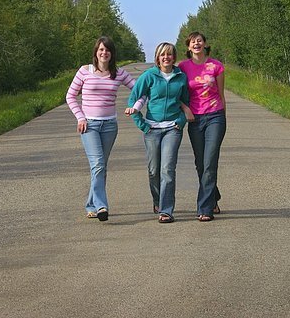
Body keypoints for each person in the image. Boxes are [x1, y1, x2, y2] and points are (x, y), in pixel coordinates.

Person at [66, 36, 143, 222]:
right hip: (89, 125)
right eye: (101, 49)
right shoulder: (85, 71)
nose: (104, 53)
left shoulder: (119, 73)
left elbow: (141, 91)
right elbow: (70, 96)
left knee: (100, 167)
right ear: (96, 52)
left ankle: (91, 205)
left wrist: (137, 106)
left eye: (107, 50)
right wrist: (80, 117)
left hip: (109, 126)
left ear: (112, 54)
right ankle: (102, 206)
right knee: (98, 164)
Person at [125, 42, 189, 223]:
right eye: (162, 55)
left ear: (174, 57)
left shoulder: (181, 77)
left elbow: (186, 103)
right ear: (157, 58)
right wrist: (142, 125)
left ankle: (166, 210)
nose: (166, 57)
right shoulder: (149, 76)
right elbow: (133, 101)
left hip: (172, 129)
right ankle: (157, 200)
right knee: (154, 170)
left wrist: (180, 122)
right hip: (151, 129)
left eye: (169, 54)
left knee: (167, 169)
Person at [178, 31, 226, 222]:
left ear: (205, 44)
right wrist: (185, 109)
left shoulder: (216, 66)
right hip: (195, 119)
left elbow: (221, 94)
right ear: (189, 47)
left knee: (210, 162)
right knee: (201, 163)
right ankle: (213, 196)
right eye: (192, 42)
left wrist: (224, 117)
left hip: (215, 117)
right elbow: (179, 94)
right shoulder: (183, 67)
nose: (196, 43)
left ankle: (205, 208)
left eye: (199, 41)